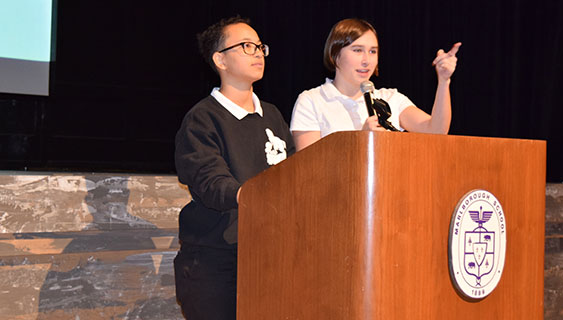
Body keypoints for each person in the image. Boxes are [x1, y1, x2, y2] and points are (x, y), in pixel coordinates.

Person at [173, 17, 295, 319]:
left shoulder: (273, 115)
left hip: (271, 252)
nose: (258, 53)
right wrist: (251, 194)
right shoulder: (202, 118)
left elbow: (296, 172)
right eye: (247, 46)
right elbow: (210, 182)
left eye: (260, 47)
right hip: (217, 258)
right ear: (220, 59)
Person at [290, 18, 461, 150]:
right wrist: (361, 141)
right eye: (357, 50)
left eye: (372, 51)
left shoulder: (390, 99)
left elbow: (436, 131)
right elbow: (309, 167)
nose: (366, 60)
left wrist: (444, 81)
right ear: (334, 55)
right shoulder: (312, 101)